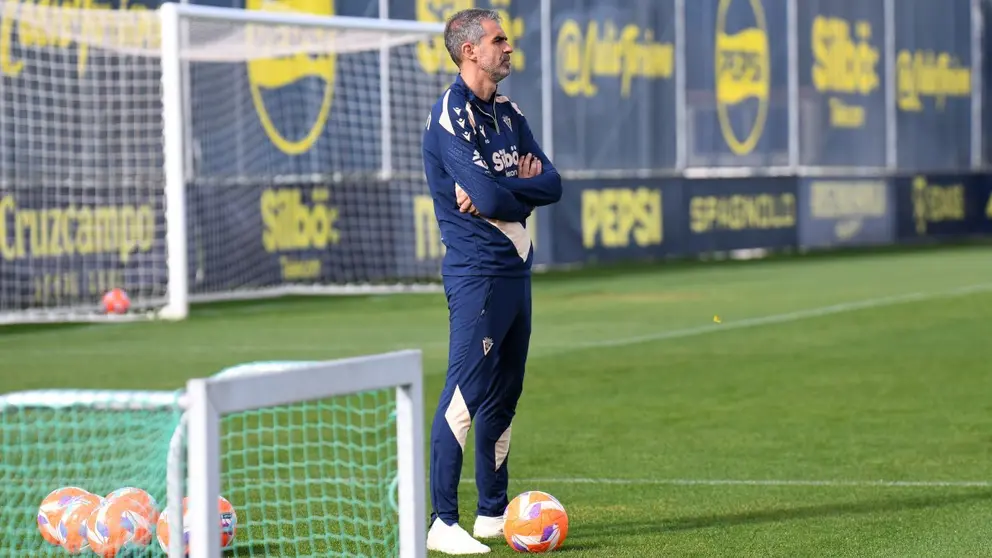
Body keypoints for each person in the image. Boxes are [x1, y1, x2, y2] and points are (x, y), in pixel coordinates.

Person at [421, 8, 563, 555]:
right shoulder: (451, 115)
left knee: (506, 393)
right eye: (498, 39)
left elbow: (550, 184)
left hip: (516, 271)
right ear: (469, 52)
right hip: (477, 272)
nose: (508, 46)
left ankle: (490, 512)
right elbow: (491, 199)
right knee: (465, 392)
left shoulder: (507, 110)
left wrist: (499, 185)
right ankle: (441, 521)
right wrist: (501, 189)